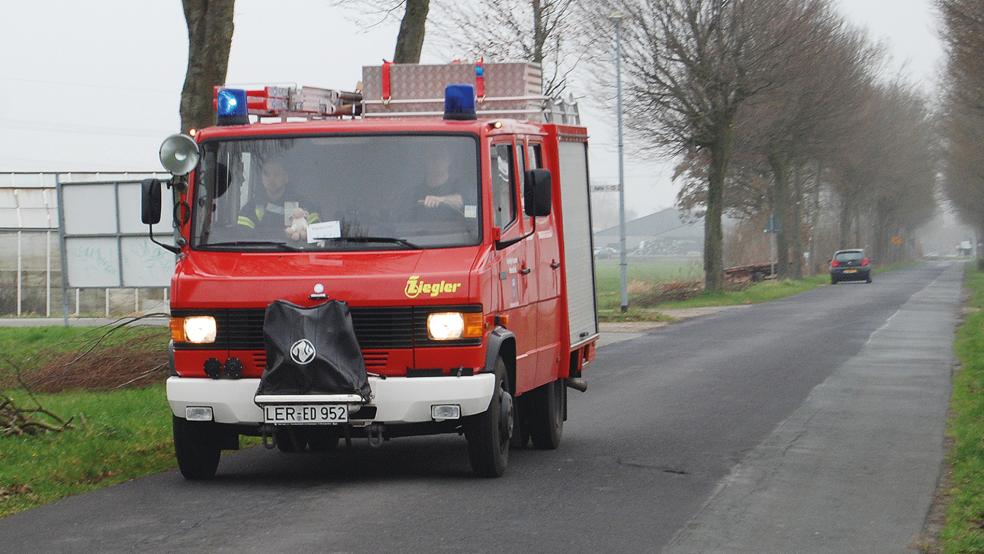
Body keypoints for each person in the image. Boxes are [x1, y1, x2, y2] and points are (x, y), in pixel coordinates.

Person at [238, 155, 319, 241]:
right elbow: (243, 238)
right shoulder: (250, 209)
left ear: (286, 177)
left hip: (297, 252)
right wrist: (284, 234)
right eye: (267, 174)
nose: (271, 179)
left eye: (277, 174)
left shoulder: (304, 205)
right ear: (261, 178)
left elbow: (317, 233)